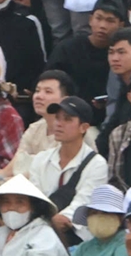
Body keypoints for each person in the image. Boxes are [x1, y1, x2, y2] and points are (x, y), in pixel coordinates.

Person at [28, 95, 107, 238]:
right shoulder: (40, 159)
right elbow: (35, 199)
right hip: (38, 229)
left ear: (83, 127)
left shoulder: (97, 164)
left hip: (75, 236)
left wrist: (56, 220)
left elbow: (83, 203)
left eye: (67, 119)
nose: (58, 123)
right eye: (57, 118)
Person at [45, 0, 123, 103]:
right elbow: (49, 82)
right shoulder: (67, 49)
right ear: (90, 20)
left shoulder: (122, 55)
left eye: (110, 21)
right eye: (98, 18)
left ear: (121, 25)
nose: (103, 25)